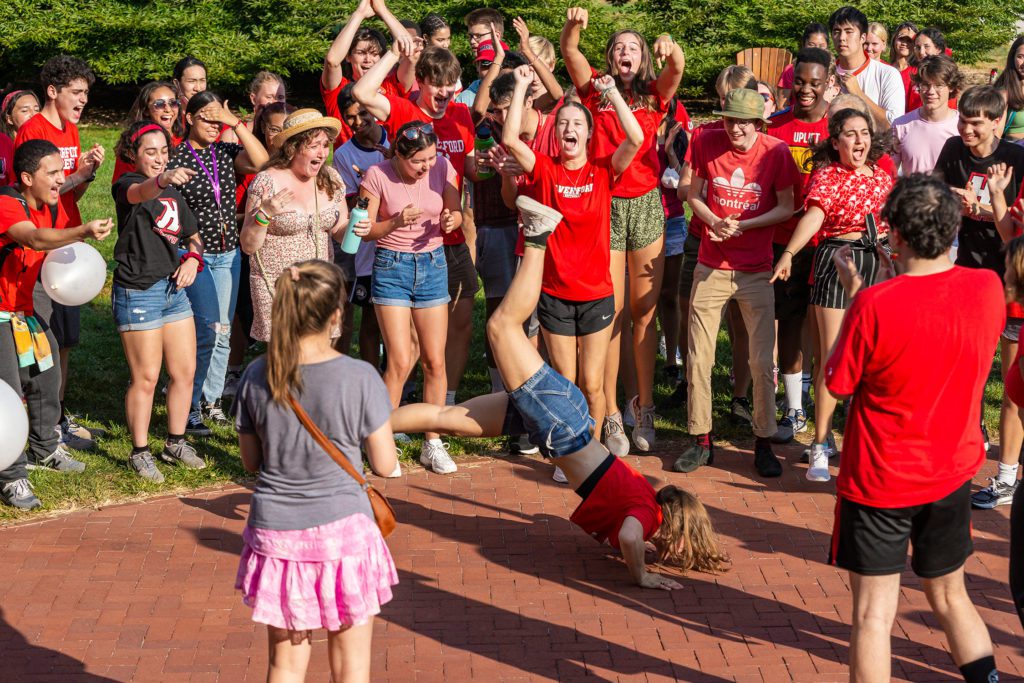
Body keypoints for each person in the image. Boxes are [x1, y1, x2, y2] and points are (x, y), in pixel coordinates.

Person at [391, 196, 728, 588]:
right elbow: (630, 537)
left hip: (556, 424)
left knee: (446, 420)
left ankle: (364, 424)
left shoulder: (645, 502)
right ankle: (537, 237)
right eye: (683, 545)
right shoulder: (647, 512)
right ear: (676, 523)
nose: (678, 550)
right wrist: (643, 577)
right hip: (560, 421)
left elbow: (626, 534)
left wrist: (645, 553)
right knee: (501, 327)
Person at [825, 174, 1002, 683]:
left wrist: (861, 293)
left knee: (872, 616)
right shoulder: (986, 287)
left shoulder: (874, 305)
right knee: (950, 595)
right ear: (952, 229)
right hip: (951, 474)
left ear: (894, 236)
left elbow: (839, 384)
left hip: (881, 480)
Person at [232, 259, 399, 683]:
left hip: (278, 531)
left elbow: (251, 463)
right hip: (344, 529)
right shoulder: (360, 376)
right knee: (351, 668)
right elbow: (384, 463)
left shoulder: (257, 374)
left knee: (285, 666)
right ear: (336, 315)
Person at [504, 66, 644, 483]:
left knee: (594, 382)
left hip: (597, 294)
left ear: (587, 134)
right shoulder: (544, 169)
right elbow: (511, 139)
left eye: (577, 124)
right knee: (566, 383)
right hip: (555, 293)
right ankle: (572, 454)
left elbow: (635, 139)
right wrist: (520, 88)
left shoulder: (602, 170)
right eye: (563, 123)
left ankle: (594, 454)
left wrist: (612, 94)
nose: (568, 128)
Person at [561, 7, 685, 455]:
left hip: (647, 204)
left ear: (642, 58)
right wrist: (575, 24)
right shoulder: (595, 93)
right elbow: (570, 49)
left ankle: (645, 408)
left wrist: (670, 42)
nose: (625, 53)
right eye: (618, 48)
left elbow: (677, 68)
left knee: (645, 311)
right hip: (605, 205)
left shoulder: (654, 97)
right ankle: (611, 413)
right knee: (609, 311)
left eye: (633, 47)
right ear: (610, 59)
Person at [354, 40, 480, 433]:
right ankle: (391, 427)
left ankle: (439, 419)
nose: (446, 92)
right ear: (422, 82)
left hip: (446, 245)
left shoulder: (461, 115)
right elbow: (360, 93)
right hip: (399, 252)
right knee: (402, 353)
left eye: (453, 84)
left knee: (451, 337)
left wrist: (458, 212)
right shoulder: (405, 110)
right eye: (439, 84)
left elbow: (468, 174)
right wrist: (395, 52)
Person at [677, 88, 798, 477]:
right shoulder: (705, 140)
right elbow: (692, 194)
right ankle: (701, 440)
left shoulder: (776, 152)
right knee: (698, 356)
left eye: (744, 122)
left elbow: (786, 206)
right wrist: (713, 221)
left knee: (762, 360)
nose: (736, 129)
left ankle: (763, 440)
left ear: (758, 123)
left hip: (757, 268)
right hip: (711, 264)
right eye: (730, 120)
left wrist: (743, 225)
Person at [772, 107, 893, 481]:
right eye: (851, 134)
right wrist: (789, 253)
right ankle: (820, 445)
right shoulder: (828, 175)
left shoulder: (883, 178)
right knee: (833, 357)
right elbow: (814, 216)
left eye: (864, 134)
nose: (859, 141)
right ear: (836, 141)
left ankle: (865, 442)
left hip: (879, 262)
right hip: (836, 260)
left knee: (875, 360)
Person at [0, 140, 112, 509]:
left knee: (47, 380)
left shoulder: (44, 204)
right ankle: (11, 475)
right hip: (0, 316)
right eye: (52, 173)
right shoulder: (5, 204)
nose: (60, 180)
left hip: (25, 311)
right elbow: (33, 238)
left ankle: (44, 449)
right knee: (9, 397)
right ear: (28, 177)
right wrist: (82, 231)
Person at [934, 85, 1024, 510]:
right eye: (962, 120)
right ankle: (965, 452)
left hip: (1010, 281)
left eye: (974, 122)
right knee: (962, 370)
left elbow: (1012, 229)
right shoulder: (952, 149)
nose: (965, 129)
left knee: (1011, 384)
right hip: (964, 275)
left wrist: (984, 207)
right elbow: (932, 197)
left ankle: (1006, 477)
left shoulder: (1018, 158)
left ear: (995, 122)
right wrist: (953, 203)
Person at [358, 121, 462, 473]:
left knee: (435, 360)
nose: (427, 166)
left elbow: (455, 210)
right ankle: (380, 439)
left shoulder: (443, 167)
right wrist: (396, 222)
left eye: (431, 158)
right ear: (399, 156)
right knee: (400, 360)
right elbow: (366, 231)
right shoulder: (377, 175)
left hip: (433, 264)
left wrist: (452, 220)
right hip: (392, 265)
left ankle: (432, 442)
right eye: (419, 161)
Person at [15, 54, 106, 452]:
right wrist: (77, 176)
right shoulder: (32, 131)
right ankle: (36, 423)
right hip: (44, 243)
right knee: (42, 338)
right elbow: (37, 194)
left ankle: (59, 417)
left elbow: (68, 193)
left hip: (69, 242)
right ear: (53, 91)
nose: (83, 99)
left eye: (86, 92)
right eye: (76, 92)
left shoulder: (71, 129)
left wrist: (85, 176)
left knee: (66, 338)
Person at [111, 120, 207, 482]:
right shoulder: (127, 184)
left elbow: (194, 236)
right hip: (138, 290)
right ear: (133, 154)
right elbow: (142, 193)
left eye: (164, 152)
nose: (159, 157)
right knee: (146, 377)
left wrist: (193, 260)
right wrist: (164, 179)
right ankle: (139, 451)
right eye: (150, 152)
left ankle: (175, 442)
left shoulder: (174, 195)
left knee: (184, 372)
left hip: (173, 291)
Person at [170, 91, 268, 435]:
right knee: (206, 332)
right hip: (194, 255)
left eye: (218, 120)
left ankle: (211, 402)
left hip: (228, 254)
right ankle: (189, 402)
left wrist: (236, 125)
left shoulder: (224, 153)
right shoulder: (176, 156)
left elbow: (262, 162)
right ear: (190, 119)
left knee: (224, 332)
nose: (214, 126)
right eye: (207, 119)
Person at [766, 47, 833, 443]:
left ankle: (827, 414)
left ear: (828, 83)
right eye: (799, 82)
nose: (805, 90)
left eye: (814, 83)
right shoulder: (775, 125)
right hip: (782, 240)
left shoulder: (838, 125)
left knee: (827, 331)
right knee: (789, 321)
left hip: (827, 241)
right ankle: (794, 410)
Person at [241, 109, 351, 343]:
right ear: (293, 148)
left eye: (325, 145)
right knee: (287, 362)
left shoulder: (330, 179)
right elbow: (248, 245)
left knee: (318, 358)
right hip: (277, 286)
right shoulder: (267, 181)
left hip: (318, 284)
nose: (322, 153)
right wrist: (265, 214)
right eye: (314, 146)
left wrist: (355, 228)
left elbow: (340, 231)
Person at [332, 85, 387, 367]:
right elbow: (353, 206)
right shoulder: (343, 155)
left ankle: (405, 382)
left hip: (401, 242)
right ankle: (371, 375)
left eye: (363, 113)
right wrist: (371, 185)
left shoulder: (396, 141)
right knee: (370, 319)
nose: (357, 122)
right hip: (368, 250)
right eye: (349, 117)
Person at [319, 0, 414, 148]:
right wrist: (359, 14)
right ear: (348, 57)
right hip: (349, 167)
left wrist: (382, 9)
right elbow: (332, 61)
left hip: (393, 166)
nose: (368, 59)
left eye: (374, 54)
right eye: (361, 53)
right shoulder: (339, 89)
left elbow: (410, 50)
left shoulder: (393, 86)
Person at [829, 6, 904, 130]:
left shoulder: (888, 74)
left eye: (849, 31)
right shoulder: (825, 75)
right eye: (836, 31)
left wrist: (858, 94)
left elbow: (894, 126)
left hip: (875, 148)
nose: (842, 38)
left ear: (862, 37)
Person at [891, 55, 962, 175]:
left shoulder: (963, 126)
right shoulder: (900, 125)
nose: (931, 92)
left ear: (951, 87)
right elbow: (889, 174)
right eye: (925, 85)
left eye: (938, 85)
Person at [112, 81, 184, 183]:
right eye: (159, 104)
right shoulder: (133, 143)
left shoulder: (186, 140)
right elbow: (121, 187)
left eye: (173, 103)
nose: (168, 109)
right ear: (146, 110)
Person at [777, 23, 829, 104]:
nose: (817, 50)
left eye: (822, 46)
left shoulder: (831, 69)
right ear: (803, 44)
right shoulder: (791, 70)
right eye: (812, 45)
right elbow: (781, 105)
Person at [905, 27, 950, 112]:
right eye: (918, 47)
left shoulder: (946, 74)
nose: (921, 52)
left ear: (938, 49)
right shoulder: (912, 73)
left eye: (926, 46)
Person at [0, 90, 40, 186]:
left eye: (37, 110)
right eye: (25, 111)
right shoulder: (4, 147)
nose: (33, 115)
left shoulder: (44, 145)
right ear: (9, 118)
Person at [995, 35, 1024, 142]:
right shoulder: (1004, 92)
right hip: (1015, 152)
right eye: (1020, 57)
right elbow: (996, 134)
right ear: (1012, 58)